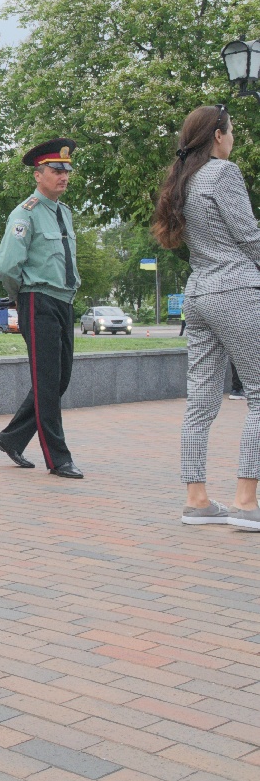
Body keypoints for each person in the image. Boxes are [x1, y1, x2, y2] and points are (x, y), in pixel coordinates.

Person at [151, 104, 260, 529]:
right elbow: (249, 237)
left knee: (200, 402)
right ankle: (246, 502)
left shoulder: (185, 178)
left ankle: (196, 501)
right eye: (231, 131)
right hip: (235, 291)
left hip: (198, 294)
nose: (233, 138)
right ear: (217, 135)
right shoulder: (223, 173)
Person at [0, 138, 84, 479]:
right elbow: (7, 267)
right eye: (56, 170)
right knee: (47, 382)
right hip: (37, 299)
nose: (64, 176)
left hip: (63, 300)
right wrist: (19, 296)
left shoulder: (64, 212)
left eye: (67, 171)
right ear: (38, 175)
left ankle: (11, 438)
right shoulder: (24, 213)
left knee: (59, 379)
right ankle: (58, 458)